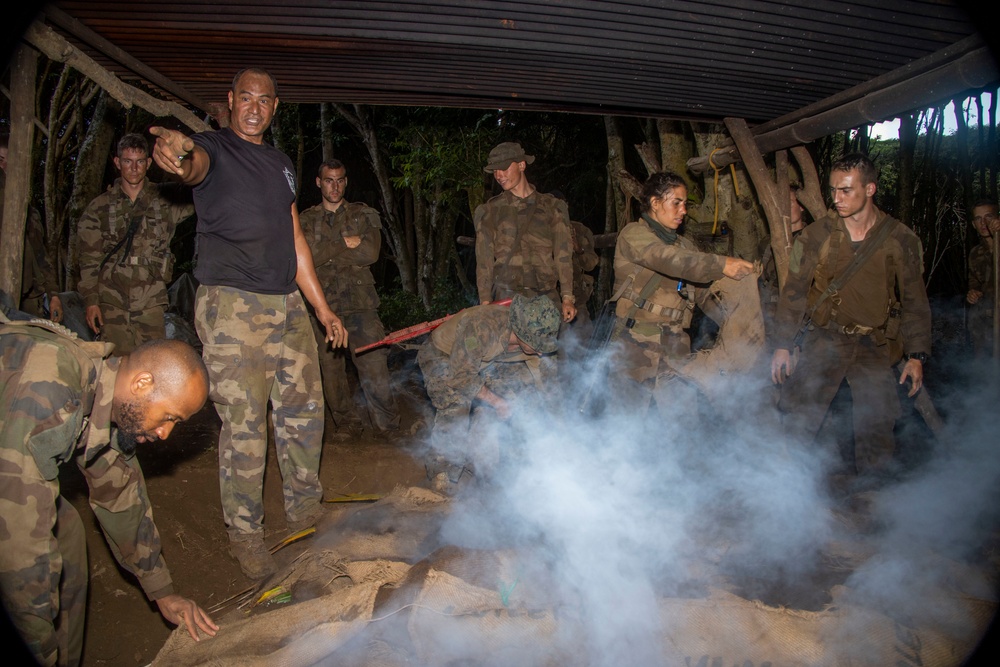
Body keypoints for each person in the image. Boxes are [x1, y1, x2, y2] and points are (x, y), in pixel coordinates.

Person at [149, 68, 348, 580]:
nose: (254, 107)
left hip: (287, 304)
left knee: (305, 410)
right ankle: (246, 535)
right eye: (246, 97)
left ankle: (305, 509)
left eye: (265, 99)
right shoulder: (214, 147)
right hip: (233, 306)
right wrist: (180, 153)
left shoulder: (281, 164)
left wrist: (322, 308)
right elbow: (192, 164)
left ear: (275, 107)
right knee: (244, 426)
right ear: (231, 101)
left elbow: (296, 239)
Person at [0, 317, 218, 666]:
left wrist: (162, 592)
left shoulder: (103, 398)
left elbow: (121, 496)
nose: (165, 434)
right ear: (143, 383)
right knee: (37, 547)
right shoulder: (49, 390)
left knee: (67, 535)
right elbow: (16, 537)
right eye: (169, 418)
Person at [771, 153, 932, 477]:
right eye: (834, 190)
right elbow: (794, 294)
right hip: (825, 337)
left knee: (878, 417)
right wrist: (783, 344)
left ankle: (872, 492)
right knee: (802, 410)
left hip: (873, 341)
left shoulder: (900, 240)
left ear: (870, 189)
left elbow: (915, 300)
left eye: (847, 190)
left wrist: (916, 355)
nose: (837, 198)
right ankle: (785, 485)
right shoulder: (815, 237)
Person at [610, 171, 754, 428]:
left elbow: (703, 295)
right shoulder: (633, 235)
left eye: (685, 203)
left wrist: (738, 326)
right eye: (676, 202)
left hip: (676, 344)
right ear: (655, 203)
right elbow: (667, 259)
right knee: (626, 426)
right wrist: (722, 263)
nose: (683, 210)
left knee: (684, 424)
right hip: (635, 343)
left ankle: (682, 468)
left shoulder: (686, 246)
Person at [299, 160, 400, 438]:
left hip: (361, 304)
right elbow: (304, 258)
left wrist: (322, 253)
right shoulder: (305, 219)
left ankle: (387, 425)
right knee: (331, 371)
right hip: (322, 305)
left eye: (340, 180)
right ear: (319, 182)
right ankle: (347, 423)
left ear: (346, 181)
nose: (335, 186)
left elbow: (370, 253)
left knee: (374, 366)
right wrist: (344, 243)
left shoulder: (363, 214)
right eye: (329, 180)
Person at [417, 295, 561, 487]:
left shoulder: (538, 343)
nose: (541, 352)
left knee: (523, 396)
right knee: (456, 401)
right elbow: (461, 377)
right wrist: (497, 402)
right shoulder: (482, 326)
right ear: (520, 333)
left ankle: (519, 464)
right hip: (444, 355)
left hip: (486, 361)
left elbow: (549, 388)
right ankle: (443, 471)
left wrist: (559, 428)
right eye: (537, 346)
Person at [77, 133, 193, 353]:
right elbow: (89, 259)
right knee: (116, 366)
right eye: (127, 161)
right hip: (111, 299)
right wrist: (91, 301)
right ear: (117, 162)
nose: (134, 168)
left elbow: (200, 192)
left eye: (140, 162)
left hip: (151, 300)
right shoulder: (99, 207)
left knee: (151, 364)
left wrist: (183, 160)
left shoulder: (167, 199)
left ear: (149, 163)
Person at [474, 142, 577, 323]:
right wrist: (485, 301)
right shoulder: (490, 211)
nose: (498, 175)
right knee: (508, 351)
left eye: (503, 168)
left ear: (521, 165)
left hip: (546, 297)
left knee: (552, 350)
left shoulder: (552, 208)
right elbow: (484, 260)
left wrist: (567, 297)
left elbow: (563, 255)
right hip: (506, 297)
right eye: (494, 171)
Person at [0, 132, 62, 322]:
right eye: (0, 160)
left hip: (30, 299)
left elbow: (42, 258)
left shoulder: (30, 213)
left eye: (8, 161)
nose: (4, 167)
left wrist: (54, 296)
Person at [759, 184, 807, 342]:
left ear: (801, 206)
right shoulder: (768, 242)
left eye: (790, 202)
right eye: (781, 204)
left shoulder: (812, 240)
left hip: (798, 321)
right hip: (769, 319)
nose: (784, 208)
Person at [966, 198, 999, 357]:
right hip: (984, 325)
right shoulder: (975, 253)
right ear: (974, 224)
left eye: (989, 216)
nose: (983, 222)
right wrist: (973, 293)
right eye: (978, 218)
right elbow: (974, 284)